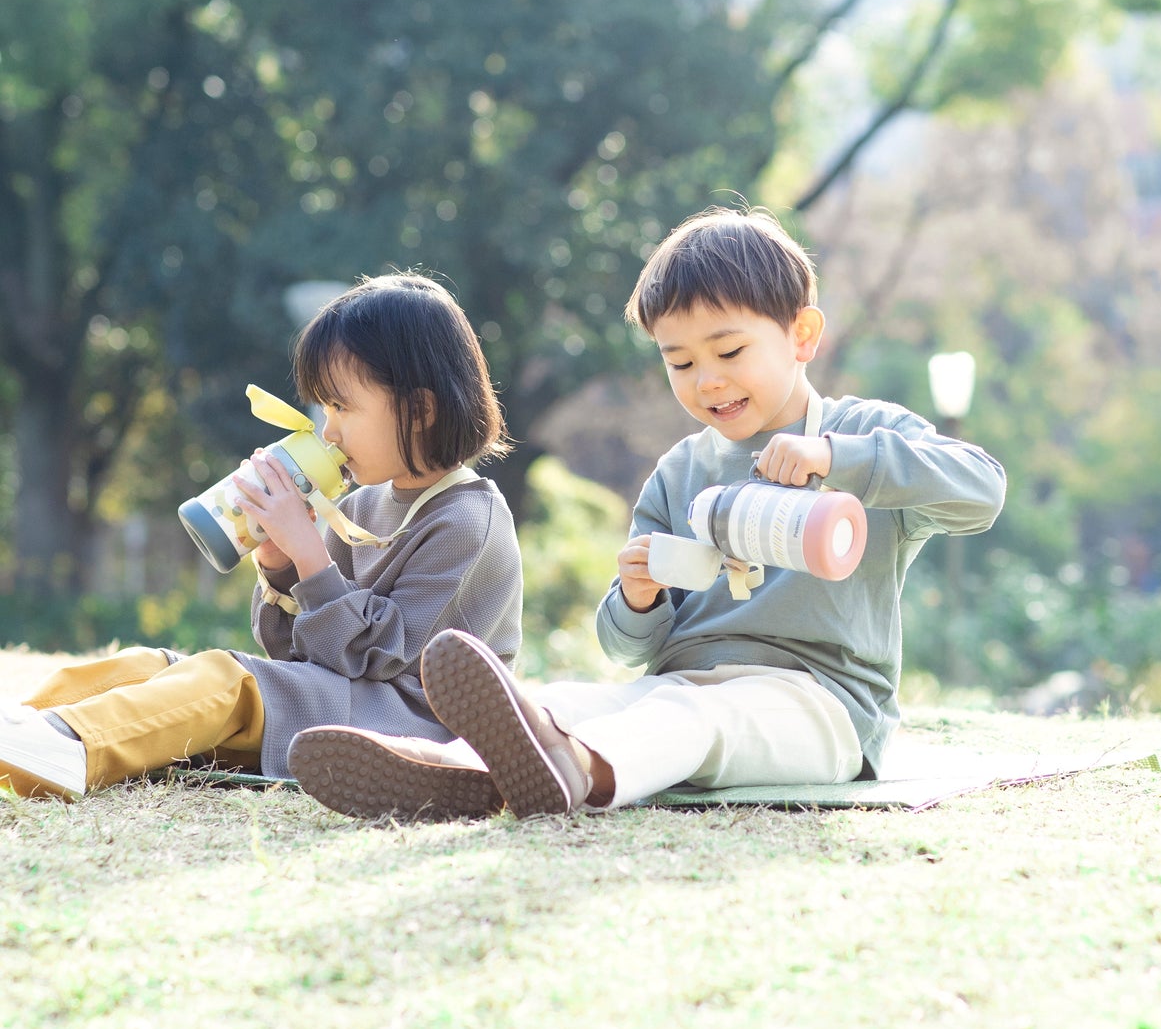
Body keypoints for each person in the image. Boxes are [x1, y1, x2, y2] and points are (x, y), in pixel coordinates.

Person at [288, 206, 1006, 820]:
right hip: (677, 679)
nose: (708, 379)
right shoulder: (681, 469)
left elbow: (981, 487)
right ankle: (434, 768)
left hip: (819, 705)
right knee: (566, 700)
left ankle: (579, 775)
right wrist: (639, 596)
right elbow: (625, 645)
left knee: (687, 719)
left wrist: (836, 458)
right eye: (680, 362)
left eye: (728, 349)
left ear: (802, 335)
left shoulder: (858, 435)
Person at [0, 272, 521, 804]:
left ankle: (71, 747)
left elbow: (383, 658)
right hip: (342, 699)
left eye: (342, 408)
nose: (330, 431)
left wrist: (311, 557)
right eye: (325, 410)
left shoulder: (466, 519)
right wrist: (282, 565)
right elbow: (293, 652)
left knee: (226, 680)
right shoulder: (362, 505)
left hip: (409, 727)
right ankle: (24, 727)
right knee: (149, 666)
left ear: (421, 410)